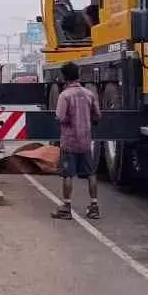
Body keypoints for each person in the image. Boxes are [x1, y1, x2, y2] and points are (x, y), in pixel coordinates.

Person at [52, 62, 102, 220]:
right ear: (78, 75)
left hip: (69, 141)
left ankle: (66, 207)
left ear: (63, 77)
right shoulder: (89, 94)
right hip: (85, 141)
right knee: (91, 174)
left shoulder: (65, 95)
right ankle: (94, 206)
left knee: (68, 174)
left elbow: (59, 117)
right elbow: (98, 116)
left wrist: (69, 119)